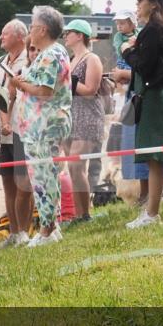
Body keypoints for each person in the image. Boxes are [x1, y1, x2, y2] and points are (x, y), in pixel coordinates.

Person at [11, 6, 72, 245]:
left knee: (42, 177)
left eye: (33, 26)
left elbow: (45, 91)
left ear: (43, 29)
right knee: (49, 176)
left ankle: (46, 230)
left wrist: (19, 84)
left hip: (42, 126)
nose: (30, 31)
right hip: (45, 124)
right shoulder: (58, 52)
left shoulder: (49, 54)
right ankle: (52, 226)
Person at [122, 0, 163, 229]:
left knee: (155, 157)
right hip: (150, 96)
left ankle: (153, 214)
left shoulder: (154, 29)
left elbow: (144, 65)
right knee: (151, 159)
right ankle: (150, 212)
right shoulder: (154, 29)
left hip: (154, 96)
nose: (137, 3)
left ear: (153, 3)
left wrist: (128, 51)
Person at [62, 19, 104, 223]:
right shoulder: (70, 59)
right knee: (72, 168)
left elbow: (90, 91)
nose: (65, 36)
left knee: (78, 165)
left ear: (80, 35)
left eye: (68, 32)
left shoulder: (92, 58)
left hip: (87, 116)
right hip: (70, 116)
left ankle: (85, 214)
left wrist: (68, 80)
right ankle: (79, 214)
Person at [0, 19, 32, 247]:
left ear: (19, 36)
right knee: (8, 182)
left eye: (4, 34)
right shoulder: (0, 62)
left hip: (22, 129)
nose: (1, 38)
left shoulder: (30, 59)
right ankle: (13, 231)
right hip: (3, 132)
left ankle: (24, 231)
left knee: (23, 184)